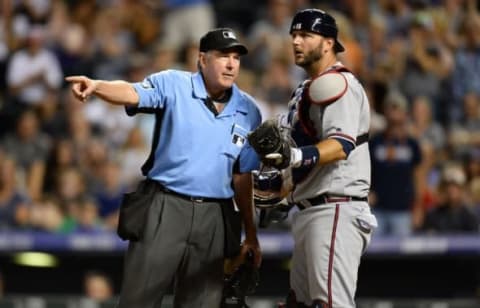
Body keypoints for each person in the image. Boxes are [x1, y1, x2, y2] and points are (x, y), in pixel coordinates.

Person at [65, 28, 262, 308]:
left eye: (236, 58)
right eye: (223, 56)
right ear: (202, 59)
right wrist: (98, 86)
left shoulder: (249, 110)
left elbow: (243, 176)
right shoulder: (174, 84)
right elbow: (132, 92)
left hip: (215, 216)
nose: (231, 64)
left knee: (202, 304)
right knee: (139, 300)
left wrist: (250, 233)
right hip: (166, 207)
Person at [250, 9, 376, 307]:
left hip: (335, 207)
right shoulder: (307, 88)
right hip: (311, 209)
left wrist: (293, 156)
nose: (296, 41)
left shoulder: (337, 83)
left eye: (306, 35)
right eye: (294, 35)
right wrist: (281, 188)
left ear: (329, 42)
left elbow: (340, 145)